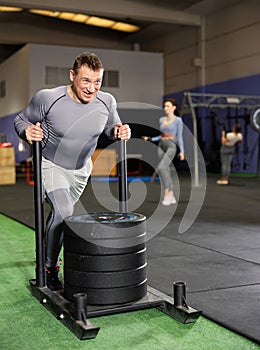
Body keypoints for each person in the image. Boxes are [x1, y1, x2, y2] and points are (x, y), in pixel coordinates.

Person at [14, 51, 131, 291]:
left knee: (59, 215)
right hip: (51, 164)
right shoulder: (48, 98)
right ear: (72, 75)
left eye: (97, 81)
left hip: (81, 170)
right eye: (86, 80)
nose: (92, 88)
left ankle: (50, 251)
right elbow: (21, 119)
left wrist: (120, 130)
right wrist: (26, 132)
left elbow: (111, 128)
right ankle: (49, 266)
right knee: (65, 211)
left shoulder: (107, 101)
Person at [143, 98, 185, 206]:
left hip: (171, 146)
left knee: (161, 167)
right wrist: (151, 139)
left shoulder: (178, 121)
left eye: (168, 106)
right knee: (164, 170)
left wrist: (182, 151)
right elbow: (161, 135)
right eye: (164, 106)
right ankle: (172, 195)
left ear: (174, 108)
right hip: (161, 145)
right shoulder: (161, 120)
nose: (165, 108)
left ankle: (167, 193)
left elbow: (179, 136)